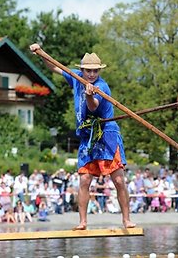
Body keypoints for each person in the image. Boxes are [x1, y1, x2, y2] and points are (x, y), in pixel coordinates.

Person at [29, 43, 135, 229]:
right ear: (82, 70)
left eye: (95, 71)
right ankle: (83, 222)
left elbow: (93, 106)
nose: (92, 74)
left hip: (107, 134)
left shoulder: (102, 86)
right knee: (85, 179)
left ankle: (126, 219)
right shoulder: (76, 77)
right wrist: (40, 53)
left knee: (118, 179)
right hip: (88, 136)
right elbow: (54, 66)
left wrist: (88, 95)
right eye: (88, 71)